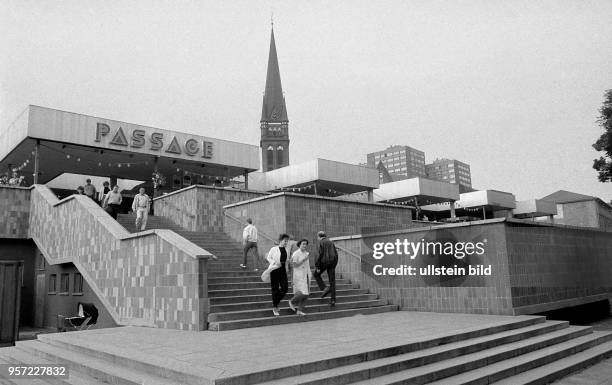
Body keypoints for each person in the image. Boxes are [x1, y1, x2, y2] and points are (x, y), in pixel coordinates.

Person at [264, 234, 290, 316]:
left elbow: (286, 260)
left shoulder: (287, 249)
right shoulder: (274, 249)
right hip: (275, 269)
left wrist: (287, 268)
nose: (286, 242)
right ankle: (275, 307)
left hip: (282, 270)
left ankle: (276, 301)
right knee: (275, 289)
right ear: (281, 241)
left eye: (287, 241)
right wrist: (274, 262)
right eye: (285, 241)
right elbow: (268, 257)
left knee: (285, 288)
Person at [313, 231, 338, 306]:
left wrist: (317, 266)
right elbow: (336, 254)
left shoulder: (321, 242)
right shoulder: (331, 242)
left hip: (324, 263)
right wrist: (334, 264)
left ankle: (324, 288)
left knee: (316, 274)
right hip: (332, 263)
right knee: (332, 282)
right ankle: (333, 300)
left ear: (319, 236)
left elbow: (319, 255)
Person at [288, 239, 311, 316]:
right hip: (298, 276)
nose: (305, 245)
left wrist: (309, 274)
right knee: (303, 293)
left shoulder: (306, 253)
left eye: (306, 244)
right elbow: (294, 265)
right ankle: (292, 301)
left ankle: (299, 310)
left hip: (304, 276)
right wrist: (303, 260)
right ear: (299, 245)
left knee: (306, 294)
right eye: (303, 244)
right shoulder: (296, 254)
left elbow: (307, 266)